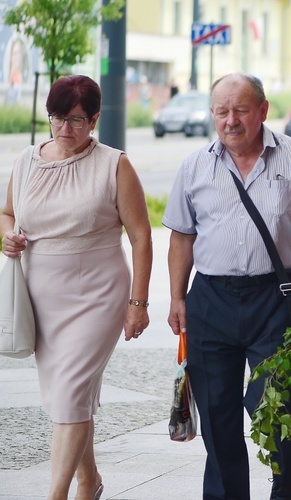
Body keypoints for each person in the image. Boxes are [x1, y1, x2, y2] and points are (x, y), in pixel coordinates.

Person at [163, 73, 291, 500]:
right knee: (218, 413)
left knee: (276, 405)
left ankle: (285, 487)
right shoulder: (194, 166)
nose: (231, 120)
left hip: (277, 299)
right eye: (221, 112)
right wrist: (176, 296)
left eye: (240, 110)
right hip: (211, 300)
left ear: (262, 110)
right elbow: (181, 238)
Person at [0, 74, 152, 500]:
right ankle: (90, 480)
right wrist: (8, 235)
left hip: (99, 293)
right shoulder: (27, 161)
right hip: (41, 295)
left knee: (69, 395)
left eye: (77, 120)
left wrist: (138, 303)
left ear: (96, 119)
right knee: (72, 396)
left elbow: (141, 235)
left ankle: (57, 494)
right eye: (57, 118)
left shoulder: (114, 164)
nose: (65, 129)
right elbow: (8, 213)